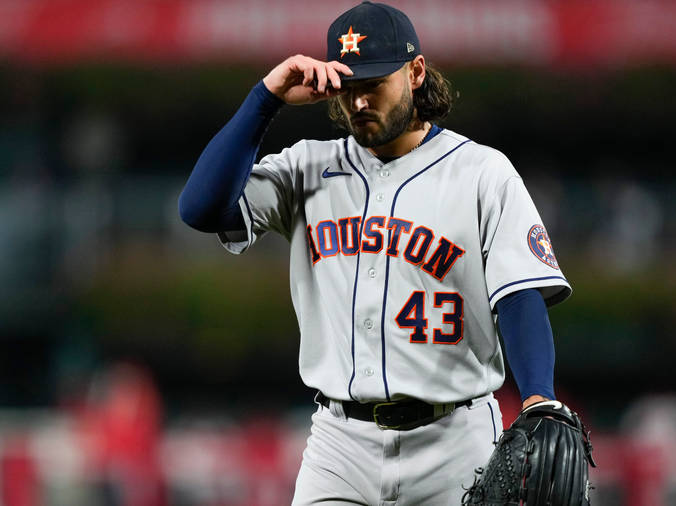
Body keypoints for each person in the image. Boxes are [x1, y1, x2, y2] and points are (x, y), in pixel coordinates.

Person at [179, 2, 571, 504]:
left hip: (455, 438)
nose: (360, 102)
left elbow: (518, 296)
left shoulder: (481, 172)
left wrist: (538, 395)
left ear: (416, 72)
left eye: (374, 85)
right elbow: (201, 209)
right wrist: (266, 98)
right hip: (339, 445)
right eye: (349, 88)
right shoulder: (307, 166)